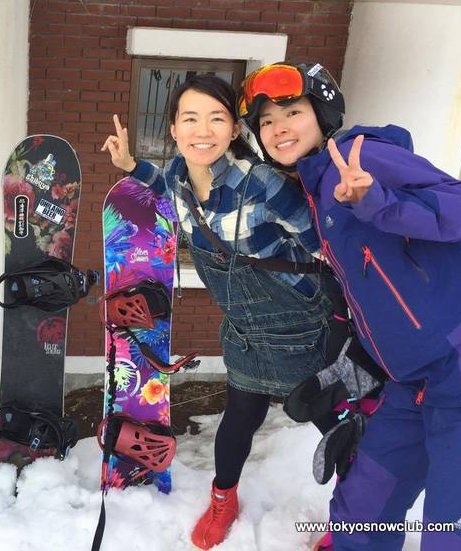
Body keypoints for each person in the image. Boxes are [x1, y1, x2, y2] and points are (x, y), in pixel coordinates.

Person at [238, 61, 461, 550]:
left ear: (321, 114)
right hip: (412, 383)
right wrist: (360, 359)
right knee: (363, 508)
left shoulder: (359, 156)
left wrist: (379, 203)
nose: (278, 128)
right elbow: (378, 284)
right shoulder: (315, 189)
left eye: (292, 112)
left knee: (453, 533)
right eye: (266, 121)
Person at [102, 75, 343, 550]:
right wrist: (131, 165)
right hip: (244, 330)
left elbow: (328, 248)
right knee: (239, 418)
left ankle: (355, 517)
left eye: (217, 118)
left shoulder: (264, 184)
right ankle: (223, 499)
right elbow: (162, 184)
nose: (203, 130)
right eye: (190, 118)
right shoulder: (177, 175)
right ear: (174, 129)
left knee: (336, 428)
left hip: (301, 328)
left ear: (234, 129)